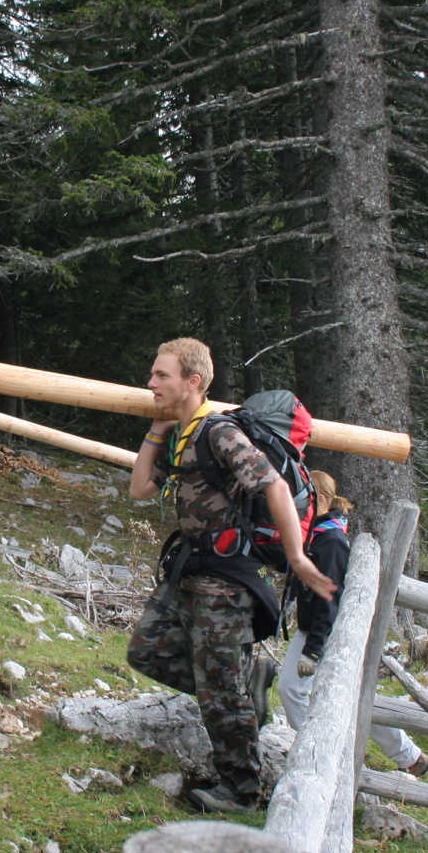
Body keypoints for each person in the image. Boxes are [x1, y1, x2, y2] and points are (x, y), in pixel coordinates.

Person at [126, 337, 336, 814]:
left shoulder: (219, 433)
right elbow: (140, 488)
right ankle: (247, 683)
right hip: (189, 572)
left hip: (226, 585)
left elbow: (275, 487)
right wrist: (157, 429)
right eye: (153, 374)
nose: (151, 382)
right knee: (146, 651)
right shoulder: (181, 432)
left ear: (192, 381)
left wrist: (298, 557)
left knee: (220, 693)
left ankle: (241, 791)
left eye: (162, 375)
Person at [275, 470, 428, 778]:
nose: (294, 507)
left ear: (319, 500)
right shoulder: (316, 535)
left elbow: (329, 600)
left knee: (292, 689)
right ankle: (409, 756)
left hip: (325, 633)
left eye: (301, 500)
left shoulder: (329, 543)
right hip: (320, 631)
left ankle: (319, 754)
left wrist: (314, 650)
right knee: (353, 695)